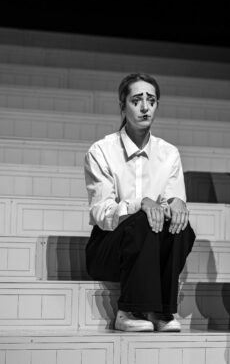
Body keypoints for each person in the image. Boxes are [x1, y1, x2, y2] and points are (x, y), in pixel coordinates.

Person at [84, 73, 196, 332]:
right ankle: (128, 310)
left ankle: (161, 310)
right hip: (109, 247)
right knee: (142, 220)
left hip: (151, 248)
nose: (145, 107)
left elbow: (173, 203)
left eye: (151, 101)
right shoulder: (101, 151)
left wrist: (177, 204)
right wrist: (140, 204)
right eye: (136, 101)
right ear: (122, 106)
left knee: (181, 227)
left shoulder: (169, 153)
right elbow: (102, 213)